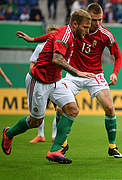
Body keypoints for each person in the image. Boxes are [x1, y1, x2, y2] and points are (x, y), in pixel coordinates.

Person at [17, 3, 122, 158]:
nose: (97, 24)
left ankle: (112, 146)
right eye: (94, 20)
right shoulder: (76, 29)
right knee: (61, 109)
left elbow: (118, 56)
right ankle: (62, 144)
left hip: (95, 74)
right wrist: (33, 40)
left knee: (109, 107)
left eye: (100, 20)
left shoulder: (106, 34)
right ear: (86, 18)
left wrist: (115, 73)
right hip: (73, 74)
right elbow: (55, 35)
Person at [2, 9, 95, 164]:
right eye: (85, 27)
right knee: (35, 121)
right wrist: (77, 72)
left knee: (72, 109)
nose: (87, 30)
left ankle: (55, 150)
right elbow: (57, 59)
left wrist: (32, 39)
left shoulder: (65, 31)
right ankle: (9, 133)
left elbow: (49, 36)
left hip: (55, 81)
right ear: (75, 24)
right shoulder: (65, 35)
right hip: (38, 81)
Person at [28, 25, 60, 144]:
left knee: (59, 110)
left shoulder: (60, 46)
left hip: (54, 82)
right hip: (41, 82)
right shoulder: (40, 46)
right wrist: (34, 76)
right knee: (39, 111)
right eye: (50, 34)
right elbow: (33, 62)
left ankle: (54, 135)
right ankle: (40, 135)